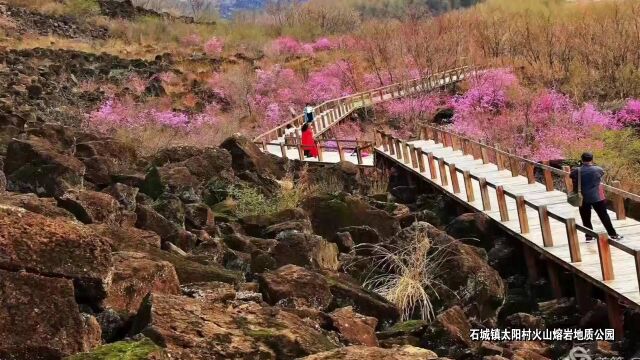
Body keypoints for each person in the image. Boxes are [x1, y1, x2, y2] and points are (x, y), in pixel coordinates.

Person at [570, 152, 624, 242]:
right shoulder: (598, 169)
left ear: (582, 159)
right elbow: (601, 174)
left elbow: (571, 176)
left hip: (582, 197)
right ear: (592, 159)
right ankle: (613, 234)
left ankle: (589, 236)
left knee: (585, 217)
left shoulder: (577, 171)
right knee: (604, 216)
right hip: (597, 197)